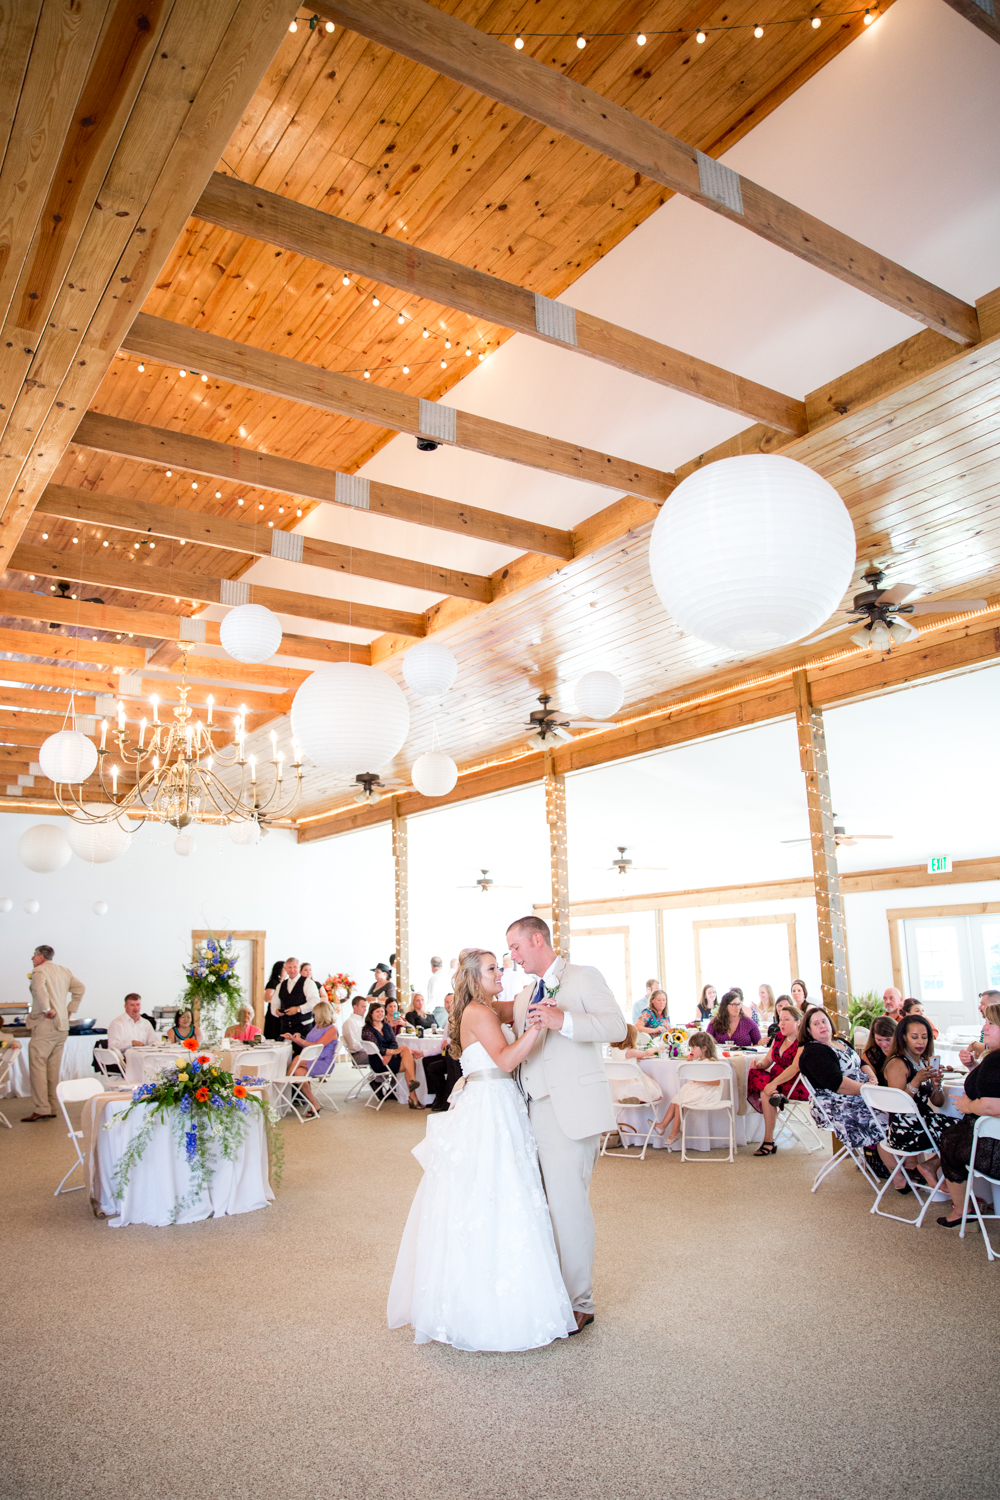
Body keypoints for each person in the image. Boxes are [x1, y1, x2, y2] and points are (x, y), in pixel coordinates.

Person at [388, 947, 575, 1351]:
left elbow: (517, 1008)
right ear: (474, 977)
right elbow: (505, 1060)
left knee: (503, 1193)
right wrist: (537, 1027)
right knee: (495, 1192)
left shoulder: (485, 1009)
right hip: (490, 1107)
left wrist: (544, 991)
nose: (501, 972)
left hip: (498, 1103)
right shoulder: (478, 1012)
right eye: (493, 968)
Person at [501, 914, 627, 1333]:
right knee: (542, 1206)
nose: (513, 956)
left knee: (568, 1206)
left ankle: (579, 1301)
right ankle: (552, 1292)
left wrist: (564, 1021)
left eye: (516, 947)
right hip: (530, 1112)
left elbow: (616, 1027)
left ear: (537, 939)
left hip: (571, 1109)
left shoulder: (584, 976)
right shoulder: (524, 995)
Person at [935, 1003, 1000, 1227]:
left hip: (993, 1151)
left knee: (949, 1141)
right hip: (990, 1142)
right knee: (951, 1135)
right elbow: (990, 1087)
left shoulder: (996, 1060)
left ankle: (961, 1210)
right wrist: (974, 1067)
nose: (984, 1028)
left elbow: (994, 1106)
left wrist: (968, 1105)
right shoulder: (993, 1058)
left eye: (991, 1023)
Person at [796, 1007, 886, 1158]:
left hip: (861, 1094)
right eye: (816, 1024)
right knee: (888, 1117)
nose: (822, 1026)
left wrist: (873, 1078)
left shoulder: (840, 1041)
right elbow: (838, 1084)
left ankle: (887, 1160)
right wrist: (866, 1089)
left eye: (824, 1021)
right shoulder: (814, 1052)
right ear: (809, 1030)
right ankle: (888, 1165)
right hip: (837, 1104)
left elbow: (861, 1063)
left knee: (893, 1107)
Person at [881, 1015, 946, 1188]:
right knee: (962, 1134)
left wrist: (936, 1086)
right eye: (915, 1037)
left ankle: (931, 1167)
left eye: (924, 1037)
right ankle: (931, 1168)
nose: (920, 1042)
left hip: (923, 1120)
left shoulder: (923, 1061)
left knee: (965, 1129)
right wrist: (916, 1081)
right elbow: (897, 1106)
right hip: (905, 1129)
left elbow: (938, 1103)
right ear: (904, 1037)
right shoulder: (897, 1063)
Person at [23, 945, 85, 1122]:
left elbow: (39, 989)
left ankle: (42, 1108)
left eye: (34, 955)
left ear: (41, 956)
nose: (32, 959)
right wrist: (70, 1009)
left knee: (38, 1066)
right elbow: (80, 988)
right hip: (62, 1026)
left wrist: (46, 1009)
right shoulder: (64, 971)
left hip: (46, 1024)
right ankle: (51, 1106)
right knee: (53, 1068)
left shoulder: (39, 971)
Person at [748, 1004, 806, 1156]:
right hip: (775, 1082)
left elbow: (795, 1068)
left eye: (786, 1020)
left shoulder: (803, 1040)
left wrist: (773, 1084)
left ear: (798, 1022)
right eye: (780, 1020)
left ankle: (768, 1141)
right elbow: (768, 1060)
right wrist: (759, 1065)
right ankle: (774, 1093)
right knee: (754, 1072)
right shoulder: (779, 1037)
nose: (781, 1024)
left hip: (794, 1083)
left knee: (765, 1092)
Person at [652, 1032, 722, 1143]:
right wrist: (690, 1064)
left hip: (710, 1093)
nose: (691, 1050)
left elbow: (717, 1082)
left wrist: (699, 1079)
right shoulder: (700, 1061)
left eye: (694, 1047)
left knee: (680, 1100)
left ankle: (675, 1131)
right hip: (701, 1089)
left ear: (704, 1048)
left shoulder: (711, 1062)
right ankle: (662, 1125)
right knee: (677, 1098)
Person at [363, 1002, 422, 1108]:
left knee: (407, 1054)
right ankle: (413, 1095)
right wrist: (393, 1052)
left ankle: (413, 1091)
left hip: (389, 1058)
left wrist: (390, 1055)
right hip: (379, 1061)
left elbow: (394, 1043)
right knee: (409, 1061)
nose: (380, 1014)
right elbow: (377, 1049)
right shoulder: (367, 1030)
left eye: (382, 1011)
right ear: (371, 1013)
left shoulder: (386, 1026)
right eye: (377, 1011)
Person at [289, 999, 339, 1115]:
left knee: (297, 1059)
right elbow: (308, 1045)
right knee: (299, 1072)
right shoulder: (317, 1026)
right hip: (312, 1059)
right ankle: (314, 1104)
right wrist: (296, 1040)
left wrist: (302, 1040)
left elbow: (318, 1046)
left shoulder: (332, 1029)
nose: (313, 1016)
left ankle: (284, 1083)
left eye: (315, 1014)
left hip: (323, 1062)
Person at [422, 994, 462, 1110]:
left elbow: (461, 1037)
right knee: (427, 1062)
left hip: (458, 1056)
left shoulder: (461, 1017)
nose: (449, 1005)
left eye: (451, 1001)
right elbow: (442, 1045)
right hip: (448, 1054)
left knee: (444, 1062)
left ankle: (446, 1100)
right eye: (446, 1002)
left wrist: (448, 1041)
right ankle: (438, 1097)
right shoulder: (448, 1022)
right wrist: (423, 1053)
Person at [267, 958, 309, 1041]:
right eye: (289, 967)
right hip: (285, 1028)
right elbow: (274, 1004)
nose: (292, 970)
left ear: (299, 968)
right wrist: (276, 1011)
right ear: (285, 969)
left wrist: (298, 1009)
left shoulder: (308, 983)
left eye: (294, 967)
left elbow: (314, 1002)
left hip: (303, 1028)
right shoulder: (280, 986)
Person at [106, 993, 156, 1057]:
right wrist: (131, 1043)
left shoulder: (146, 1023)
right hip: (124, 1059)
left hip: (144, 1057)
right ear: (125, 1006)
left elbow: (153, 1041)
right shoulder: (117, 1023)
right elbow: (113, 1046)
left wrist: (156, 1044)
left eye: (138, 1005)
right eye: (132, 1005)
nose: (136, 1008)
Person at [862, 1016, 897, 1085]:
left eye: (888, 1040)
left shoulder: (906, 1050)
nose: (884, 1044)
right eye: (879, 1040)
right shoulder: (870, 1055)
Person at [263, 960, 287, 1039]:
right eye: (284, 968)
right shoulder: (273, 982)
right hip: (273, 1014)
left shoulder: (286, 983)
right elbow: (267, 998)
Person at [341, 995, 368, 1066]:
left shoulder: (364, 1021)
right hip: (358, 1055)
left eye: (366, 1007)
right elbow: (354, 1045)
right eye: (363, 1007)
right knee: (382, 1056)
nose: (365, 1009)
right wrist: (370, 1047)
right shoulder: (349, 1022)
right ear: (355, 1007)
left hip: (366, 1051)